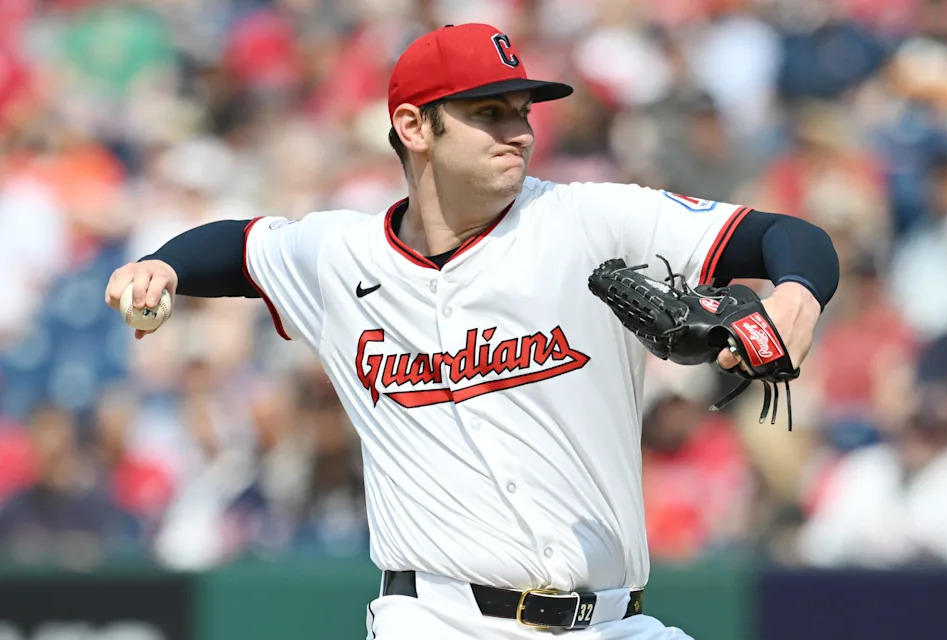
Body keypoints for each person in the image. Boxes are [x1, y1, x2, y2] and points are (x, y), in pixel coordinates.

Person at [104, 23, 839, 640]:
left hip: (615, 623)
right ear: (413, 126)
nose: (519, 131)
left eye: (523, 110)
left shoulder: (587, 221)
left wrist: (798, 297)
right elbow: (239, 246)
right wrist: (162, 266)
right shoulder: (341, 254)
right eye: (489, 112)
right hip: (438, 619)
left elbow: (788, 237)